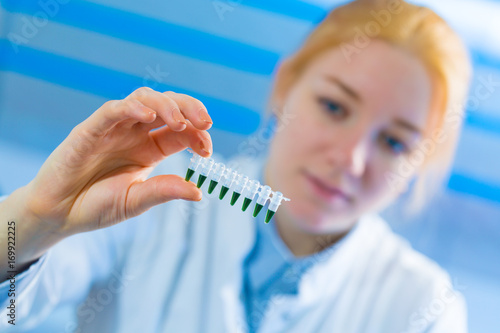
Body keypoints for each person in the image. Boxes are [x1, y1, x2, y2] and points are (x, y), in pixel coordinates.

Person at [0, 0, 471, 332]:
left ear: (420, 163)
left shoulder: (424, 310)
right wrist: (34, 222)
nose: (350, 159)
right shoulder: (150, 193)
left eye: (393, 141)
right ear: (286, 85)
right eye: (333, 107)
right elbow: (15, 312)